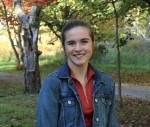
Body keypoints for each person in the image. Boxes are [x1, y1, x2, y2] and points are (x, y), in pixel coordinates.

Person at [37, 19, 119, 127]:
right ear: (64, 47)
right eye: (71, 43)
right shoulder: (52, 84)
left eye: (84, 41)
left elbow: (112, 123)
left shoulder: (106, 81)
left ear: (92, 44)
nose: (78, 48)